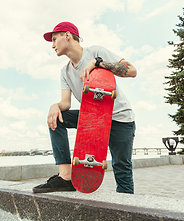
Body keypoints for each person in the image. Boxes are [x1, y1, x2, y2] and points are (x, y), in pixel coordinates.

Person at [33, 22, 137, 194]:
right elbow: (65, 104)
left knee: (121, 167)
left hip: (120, 118)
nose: (52, 45)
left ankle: (127, 211)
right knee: (57, 119)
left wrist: (98, 63)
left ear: (67, 35)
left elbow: (131, 70)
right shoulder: (65, 72)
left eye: (54, 39)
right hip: (94, 117)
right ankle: (66, 177)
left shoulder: (96, 52)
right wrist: (55, 106)